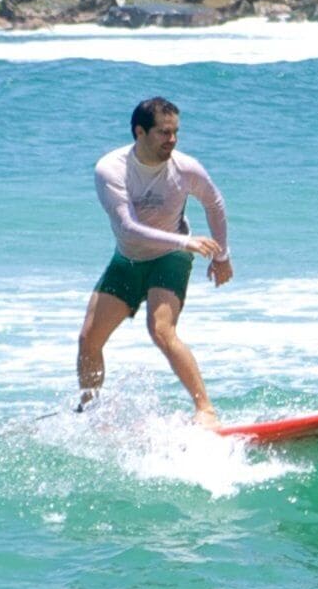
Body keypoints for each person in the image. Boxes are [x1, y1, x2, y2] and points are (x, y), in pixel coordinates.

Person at [77, 96, 232, 424]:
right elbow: (129, 229)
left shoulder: (185, 168)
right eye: (164, 133)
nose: (172, 140)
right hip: (129, 258)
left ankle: (205, 409)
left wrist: (222, 255)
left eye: (176, 132)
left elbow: (215, 203)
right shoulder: (111, 169)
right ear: (140, 132)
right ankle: (89, 411)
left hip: (170, 258)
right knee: (89, 339)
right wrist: (187, 240)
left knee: (160, 329)